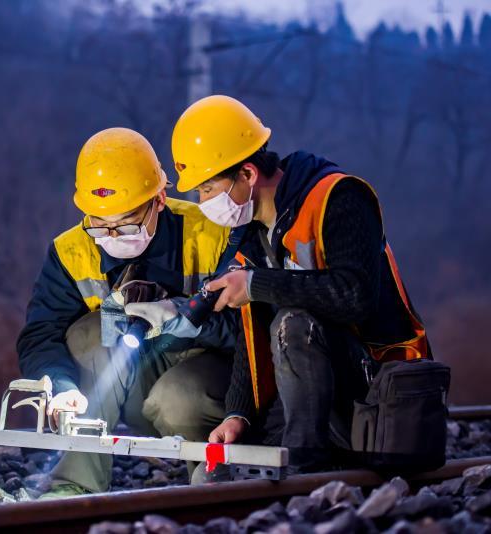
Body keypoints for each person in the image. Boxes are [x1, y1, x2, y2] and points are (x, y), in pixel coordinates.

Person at [152, 95, 431, 470]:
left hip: (382, 386)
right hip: (321, 390)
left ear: (248, 174)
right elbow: (251, 337)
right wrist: (238, 415)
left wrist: (256, 284)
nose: (203, 202)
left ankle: (303, 466)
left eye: (207, 189)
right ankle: (296, 454)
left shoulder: (340, 197)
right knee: (279, 334)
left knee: (293, 322)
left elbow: (355, 295)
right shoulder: (252, 235)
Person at [16, 127, 237, 496]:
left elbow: (250, 330)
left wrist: (186, 317)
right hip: (135, 385)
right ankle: (76, 484)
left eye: (128, 221)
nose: (114, 235)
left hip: (208, 379)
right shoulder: (71, 253)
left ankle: (215, 474)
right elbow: (41, 334)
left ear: (160, 199)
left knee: (177, 398)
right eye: (100, 224)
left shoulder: (212, 235)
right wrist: (61, 386)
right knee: (87, 332)